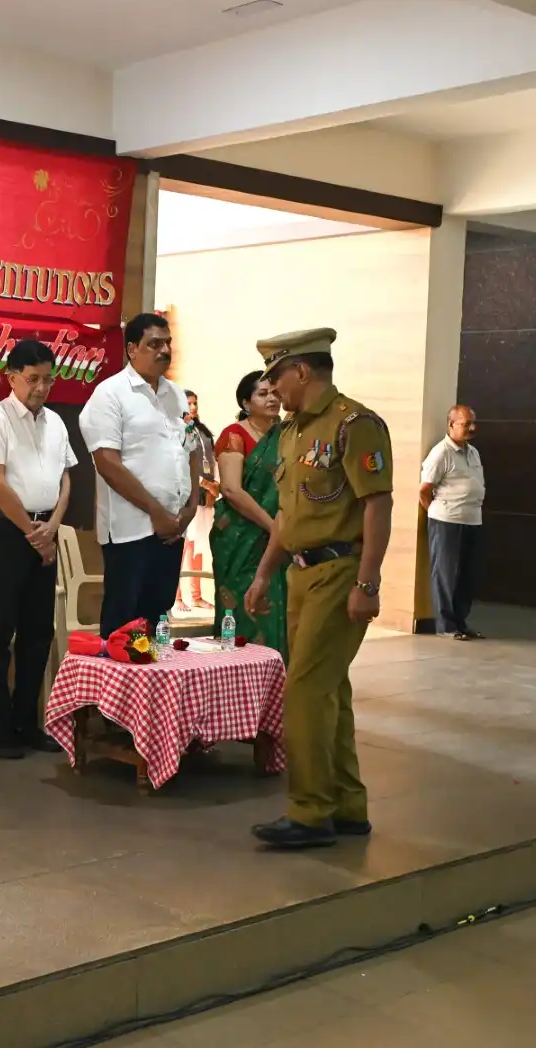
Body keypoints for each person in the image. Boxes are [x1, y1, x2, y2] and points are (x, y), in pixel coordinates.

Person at [245, 328, 393, 850]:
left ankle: (310, 813)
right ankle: (347, 805)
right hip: (300, 576)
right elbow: (289, 515)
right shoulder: (292, 432)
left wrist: (368, 582)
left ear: (302, 371)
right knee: (331, 691)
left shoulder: (355, 425)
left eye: (277, 376)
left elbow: (378, 505)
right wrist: (265, 573)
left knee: (305, 690)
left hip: (339, 573)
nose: (273, 388)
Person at [0, 340, 77, 759]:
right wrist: (33, 534)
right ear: (12, 378)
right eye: (33, 379)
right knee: (1, 632)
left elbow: (66, 479)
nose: (41, 388)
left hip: (45, 529)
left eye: (48, 379)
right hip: (6, 533)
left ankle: (27, 723)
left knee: (38, 632)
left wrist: (53, 525)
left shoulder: (56, 422)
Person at [79, 313, 201, 638]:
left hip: (173, 527)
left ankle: (153, 675)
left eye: (167, 343)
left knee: (158, 621)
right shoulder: (110, 394)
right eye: (154, 344)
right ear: (132, 349)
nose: (164, 350)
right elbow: (107, 463)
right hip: (130, 531)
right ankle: (116, 675)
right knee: (124, 626)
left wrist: (191, 507)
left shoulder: (177, 395)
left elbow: (192, 448)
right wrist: (156, 512)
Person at [211, 371, 286, 658]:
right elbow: (231, 490)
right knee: (241, 605)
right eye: (262, 394)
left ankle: (276, 673)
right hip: (240, 537)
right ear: (246, 402)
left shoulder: (287, 434)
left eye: (275, 393)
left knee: (278, 605)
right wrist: (273, 527)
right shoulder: (235, 434)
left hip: (280, 534)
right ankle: (236, 672)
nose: (271, 399)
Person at [420, 405, 485, 640]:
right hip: (446, 521)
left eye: (473, 423)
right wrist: (436, 512)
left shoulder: (473, 452)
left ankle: (460, 623)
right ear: (451, 424)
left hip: (472, 520)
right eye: (466, 424)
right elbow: (424, 490)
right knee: (446, 575)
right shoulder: (441, 453)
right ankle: (446, 626)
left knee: (467, 576)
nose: (472, 428)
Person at [177, 391, 217, 612]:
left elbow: (212, 460)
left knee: (199, 547)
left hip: (206, 495)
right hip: (188, 495)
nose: (193, 407)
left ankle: (196, 595)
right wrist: (203, 483)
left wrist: (213, 486)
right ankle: (176, 597)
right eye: (189, 403)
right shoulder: (177, 429)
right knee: (184, 547)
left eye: (195, 403)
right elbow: (181, 462)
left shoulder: (202, 431)